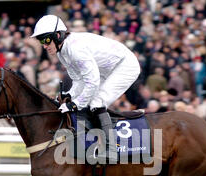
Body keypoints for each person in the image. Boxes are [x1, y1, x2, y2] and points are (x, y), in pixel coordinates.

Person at [30, 15, 141, 163]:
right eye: (41, 41)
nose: (44, 45)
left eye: (46, 40)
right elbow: (78, 80)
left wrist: (75, 104)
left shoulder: (75, 50)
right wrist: (69, 95)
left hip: (125, 65)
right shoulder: (62, 51)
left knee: (97, 102)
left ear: (58, 35)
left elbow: (92, 82)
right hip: (106, 69)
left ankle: (112, 149)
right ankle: (94, 143)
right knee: (87, 101)